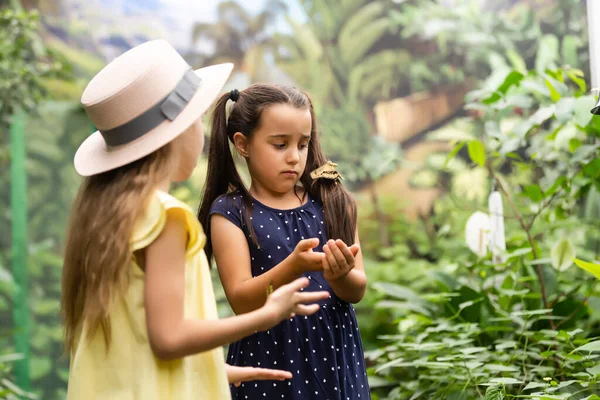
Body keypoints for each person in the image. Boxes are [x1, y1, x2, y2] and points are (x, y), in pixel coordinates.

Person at [61, 40, 329, 400]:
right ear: (176, 132)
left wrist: (214, 369)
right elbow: (168, 338)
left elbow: (137, 335)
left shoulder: (107, 215)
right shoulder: (166, 218)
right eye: (197, 121)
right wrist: (270, 314)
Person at [198, 84, 371, 399]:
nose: (294, 157)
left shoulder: (334, 201)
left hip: (333, 359)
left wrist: (341, 274)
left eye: (303, 144)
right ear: (242, 144)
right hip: (267, 360)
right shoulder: (230, 212)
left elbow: (356, 290)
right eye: (280, 145)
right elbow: (241, 299)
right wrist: (293, 266)